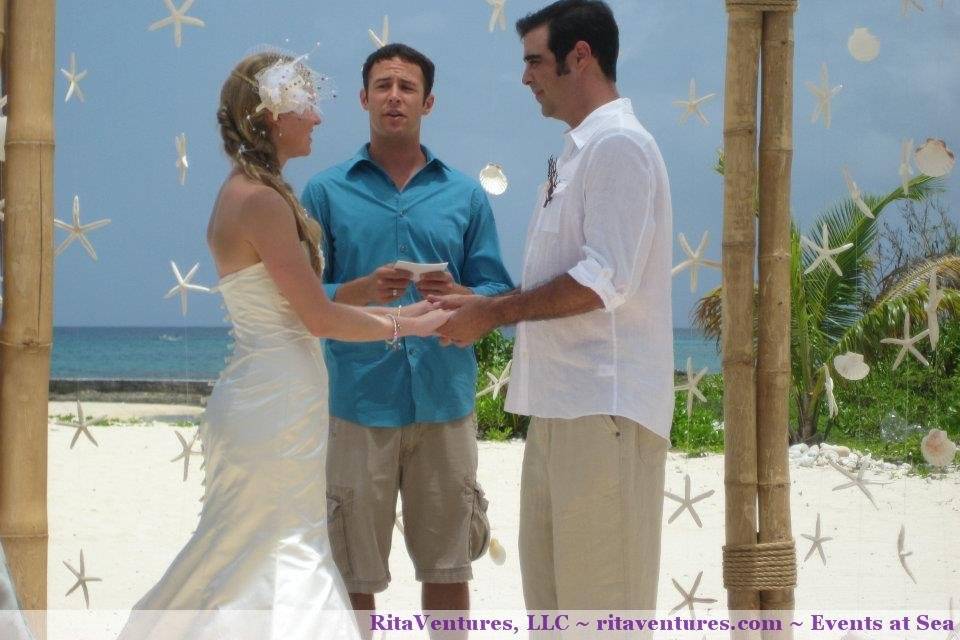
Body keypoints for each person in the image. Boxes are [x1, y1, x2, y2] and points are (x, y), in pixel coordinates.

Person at [119, 52, 450, 640]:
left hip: (269, 394)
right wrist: (411, 324)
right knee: (280, 548)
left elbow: (292, 302)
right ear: (272, 116)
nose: (318, 118)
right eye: (306, 104)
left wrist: (369, 297)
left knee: (247, 546)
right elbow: (317, 319)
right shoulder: (263, 201)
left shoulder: (245, 192)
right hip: (275, 403)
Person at [435, 0, 674, 611]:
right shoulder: (578, 151)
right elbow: (558, 278)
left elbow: (603, 280)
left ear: (581, 56)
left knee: (601, 612)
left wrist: (491, 314)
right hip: (560, 411)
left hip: (604, 413)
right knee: (552, 610)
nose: (525, 77)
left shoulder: (618, 144)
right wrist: (481, 299)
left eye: (535, 61)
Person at [301, 43, 514, 632]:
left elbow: (497, 289)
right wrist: (361, 288)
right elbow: (301, 297)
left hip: (444, 401)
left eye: (408, 87)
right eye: (384, 85)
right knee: (351, 571)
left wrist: (462, 294)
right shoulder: (323, 192)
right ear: (365, 98)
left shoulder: (466, 195)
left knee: (449, 568)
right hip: (357, 402)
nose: (395, 96)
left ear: (429, 101)